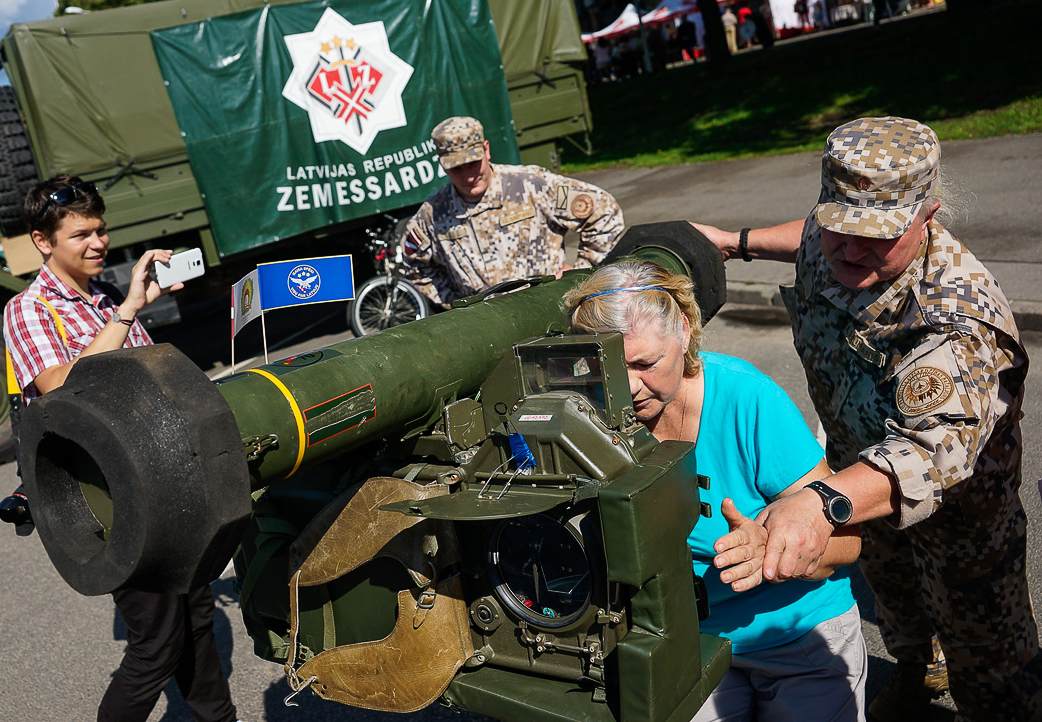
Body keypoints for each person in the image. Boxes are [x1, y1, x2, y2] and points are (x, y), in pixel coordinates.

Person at [692, 117, 1042, 721]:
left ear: (926, 215)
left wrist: (821, 502)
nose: (850, 251)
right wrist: (733, 240)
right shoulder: (836, 235)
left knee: (993, 668)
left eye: (876, 236)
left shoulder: (955, 317)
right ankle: (915, 675)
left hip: (959, 517)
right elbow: (804, 237)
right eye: (839, 227)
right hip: (860, 486)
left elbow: (927, 454)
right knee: (896, 598)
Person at [564, 261, 866, 721]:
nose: (627, 386)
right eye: (606, 366)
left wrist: (775, 547)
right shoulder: (588, 413)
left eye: (646, 363)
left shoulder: (748, 400)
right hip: (686, 642)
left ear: (683, 333)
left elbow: (847, 542)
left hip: (795, 636)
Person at [3, 175, 239, 722]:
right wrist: (129, 308)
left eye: (101, 230)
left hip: (167, 486)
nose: (98, 242)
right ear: (44, 242)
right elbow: (63, 388)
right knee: (154, 646)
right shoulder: (30, 309)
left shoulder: (102, 299)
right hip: (107, 501)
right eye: (81, 234)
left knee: (197, 625)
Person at [402, 116, 623, 307]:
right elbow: (412, 263)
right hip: (487, 326)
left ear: (486, 150)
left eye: (472, 163)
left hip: (548, 310)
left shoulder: (531, 185)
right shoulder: (434, 212)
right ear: (442, 165)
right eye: (456, 168)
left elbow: (605, 211)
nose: (468, 176)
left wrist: (579, 275)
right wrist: (457, 303)